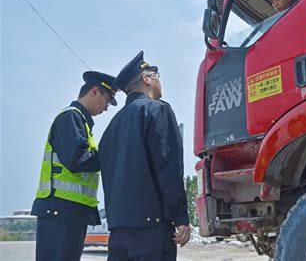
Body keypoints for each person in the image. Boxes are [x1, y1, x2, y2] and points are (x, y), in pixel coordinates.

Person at [99, 51, 190, 260]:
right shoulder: (157, 110)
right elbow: (168, 168)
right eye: (157, 76)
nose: (160, 82)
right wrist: (180, 217)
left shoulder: (111, 128)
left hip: (118, 228)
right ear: (146, 79)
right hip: (151, 227)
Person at [32, 71, 117, 261]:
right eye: (108, 101)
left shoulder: (82, 123)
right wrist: (110, 151)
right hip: (60, 211)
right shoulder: (71, 118)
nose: (106, 109)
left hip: (70, 212)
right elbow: (77, 160)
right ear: (95, 91)